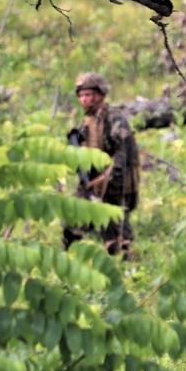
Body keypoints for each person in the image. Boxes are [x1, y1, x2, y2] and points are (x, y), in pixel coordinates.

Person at [63, 72, 140, 257]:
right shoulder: (87, 121)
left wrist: (108, 183)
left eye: (88, 95)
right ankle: (70, 263)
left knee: (117, 240)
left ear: (100, 95)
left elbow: (123, 154)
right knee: (71, 223)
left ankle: (131, 274)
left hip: (114, 185)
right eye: (81, 95)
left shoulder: (114, 120)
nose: (84, 100)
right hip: (91, 182)